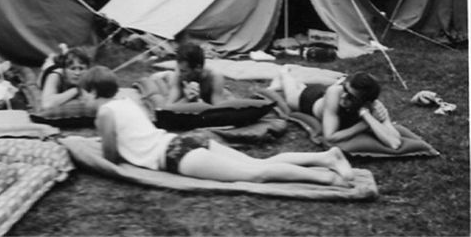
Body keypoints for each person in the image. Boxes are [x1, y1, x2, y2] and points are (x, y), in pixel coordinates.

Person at [81, 65, 355, 187]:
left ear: (93, 92)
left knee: (255, 175)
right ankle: (327, 157)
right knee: (258, 164)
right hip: (182, 142)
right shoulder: (127, 102)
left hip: (174, 155)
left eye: (84, 94)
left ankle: (327, 179)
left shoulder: (105, 112)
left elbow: (110, 156)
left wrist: (98, 143)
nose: (83, 100)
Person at [271, 67, 401, 149]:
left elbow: (394, 142)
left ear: (364, 102)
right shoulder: (335, 92)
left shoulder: (374, 106)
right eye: (345, 89)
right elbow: (330, 137)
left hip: (325, 98)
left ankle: (299, 83)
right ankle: (284, 73)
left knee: (298, 88)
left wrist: (367, 116)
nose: (343, 96)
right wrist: (364, 124)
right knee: (291, 96)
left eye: (351, 96)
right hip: (311, 100)